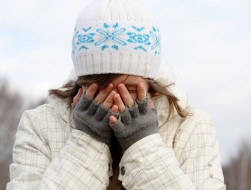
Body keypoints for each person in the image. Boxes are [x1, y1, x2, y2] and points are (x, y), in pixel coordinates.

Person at [7, 0, 226, 189]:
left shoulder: (191, 126)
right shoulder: (39, 125)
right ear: (81, 83)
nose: (113, 103)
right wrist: (86, 142)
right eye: (98, 90)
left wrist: (143, 144)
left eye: (128, 90)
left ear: (149, 82)